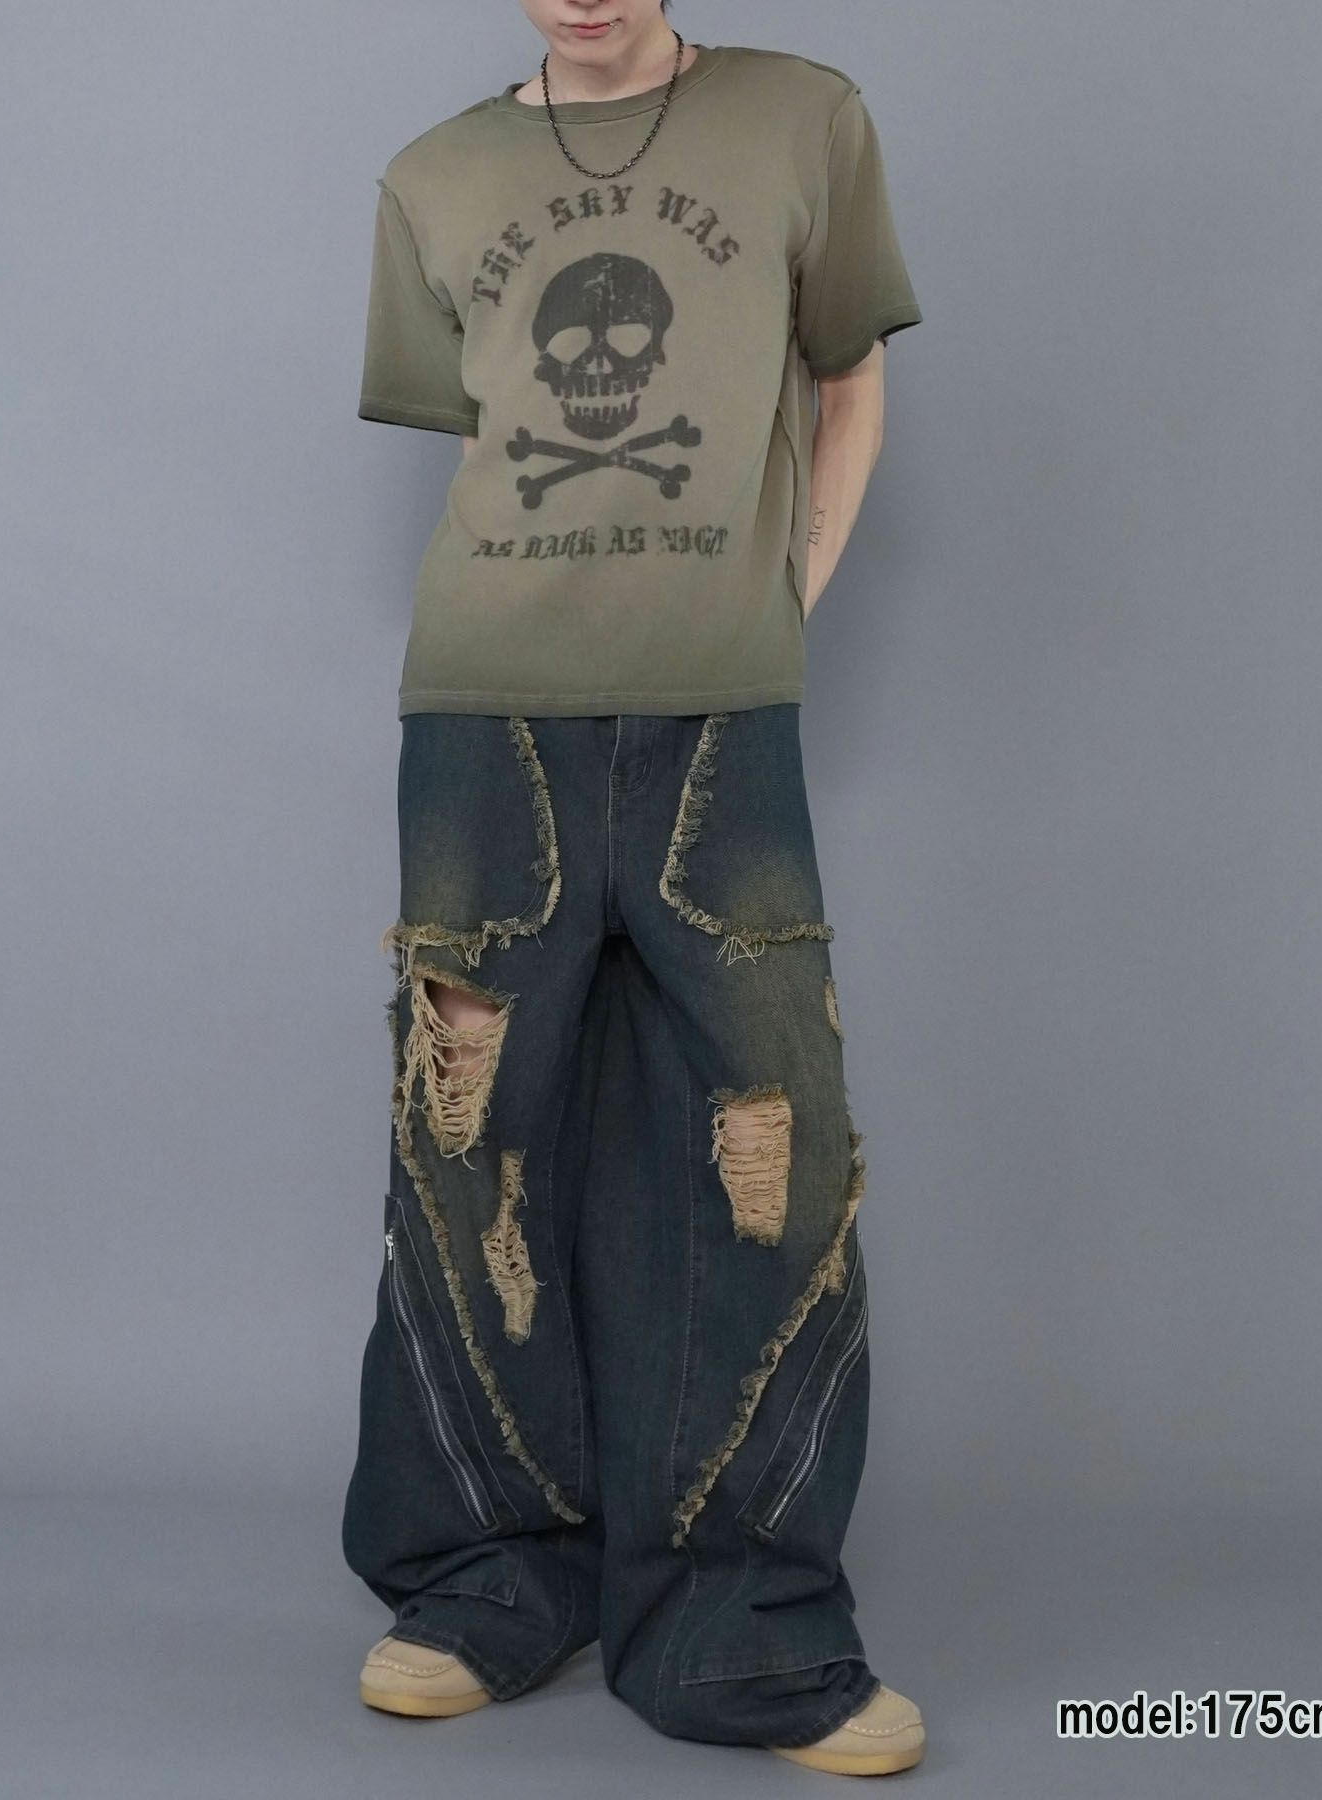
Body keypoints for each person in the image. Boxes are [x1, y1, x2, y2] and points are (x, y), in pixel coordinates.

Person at [340, 0, 926, 1776]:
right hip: (484, 711)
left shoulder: (804, 120)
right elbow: (486, 444)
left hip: (721, 720)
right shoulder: (433, 176)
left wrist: (782, 603)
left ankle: (741, 1623)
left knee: (769, 1147)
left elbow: (850, 382)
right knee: (470, 1139)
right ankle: (486, 1582)